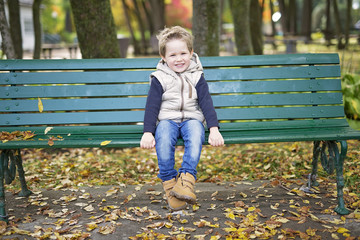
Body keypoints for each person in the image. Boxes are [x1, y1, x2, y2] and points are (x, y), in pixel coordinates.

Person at [140, 26, 224, 211]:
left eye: (183, 53)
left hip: (192, 119)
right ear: (163, 57)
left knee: (195, 135)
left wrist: (214, 128)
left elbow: (206, 103)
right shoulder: (159, 78)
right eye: (172, 55)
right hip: (167, 120)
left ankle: (185, 181)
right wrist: (147, 132)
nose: (179, 59)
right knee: (163, 139)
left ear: (191, 53)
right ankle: (170, 184)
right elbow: (152, 106)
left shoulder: (196, 75)